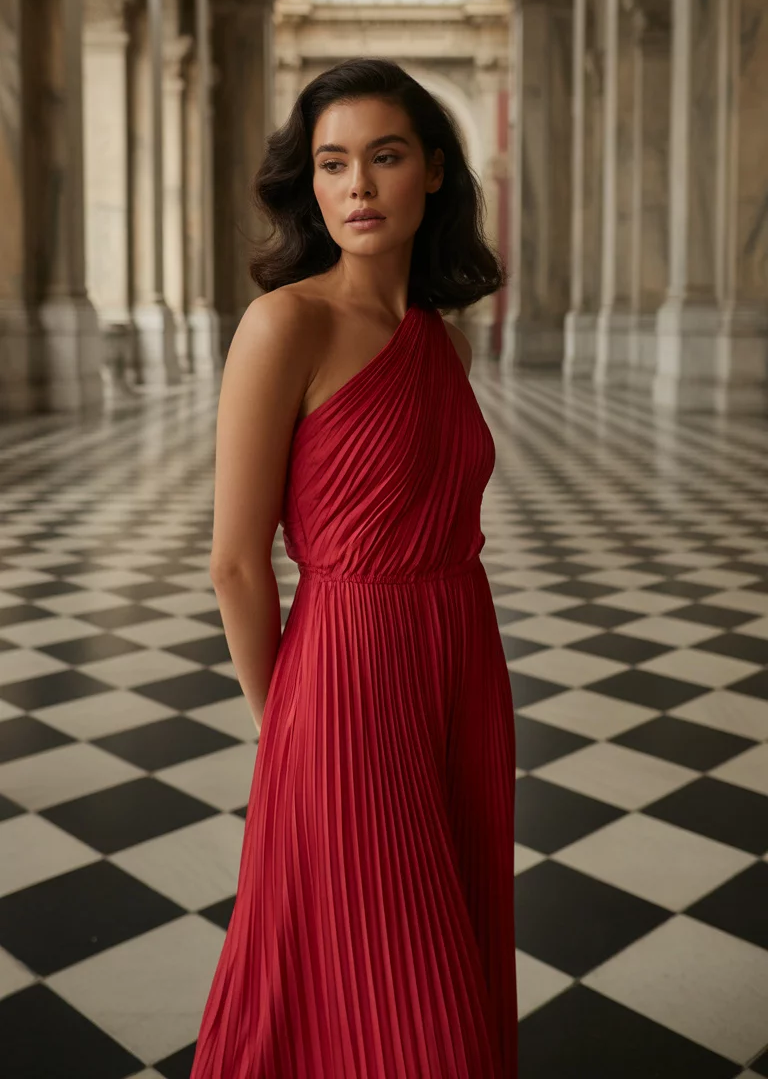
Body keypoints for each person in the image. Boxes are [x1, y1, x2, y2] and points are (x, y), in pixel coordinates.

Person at [190, 57, 518, 1078]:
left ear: (432, 175)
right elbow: (237, 564)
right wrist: (282, 714)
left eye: (384, 157)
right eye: (334, 164)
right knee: (418, 1016)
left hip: (461, 663)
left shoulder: (442, 345)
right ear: (312, 185)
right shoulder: (286, 323)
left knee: (454, 945)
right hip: (346, 678)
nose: (359, 187)